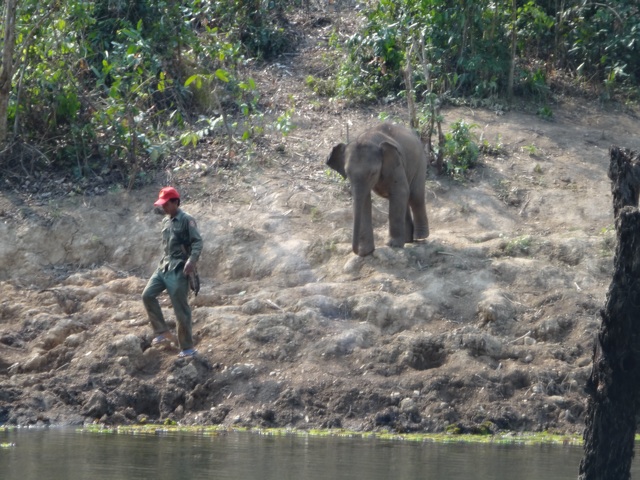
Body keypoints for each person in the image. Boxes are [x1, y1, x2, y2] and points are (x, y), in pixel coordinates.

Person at [142, 186, 203, 358]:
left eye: (166, 204)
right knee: (147, 295)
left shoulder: (187, 220)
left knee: (180, 308)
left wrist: (191, 261)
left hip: (179, 268)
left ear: (175, 202)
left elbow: (197, 242)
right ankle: (161, 331)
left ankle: (187, 348)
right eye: (162, 204)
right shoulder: (166, 221)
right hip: (164, 266)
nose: (163, 208)